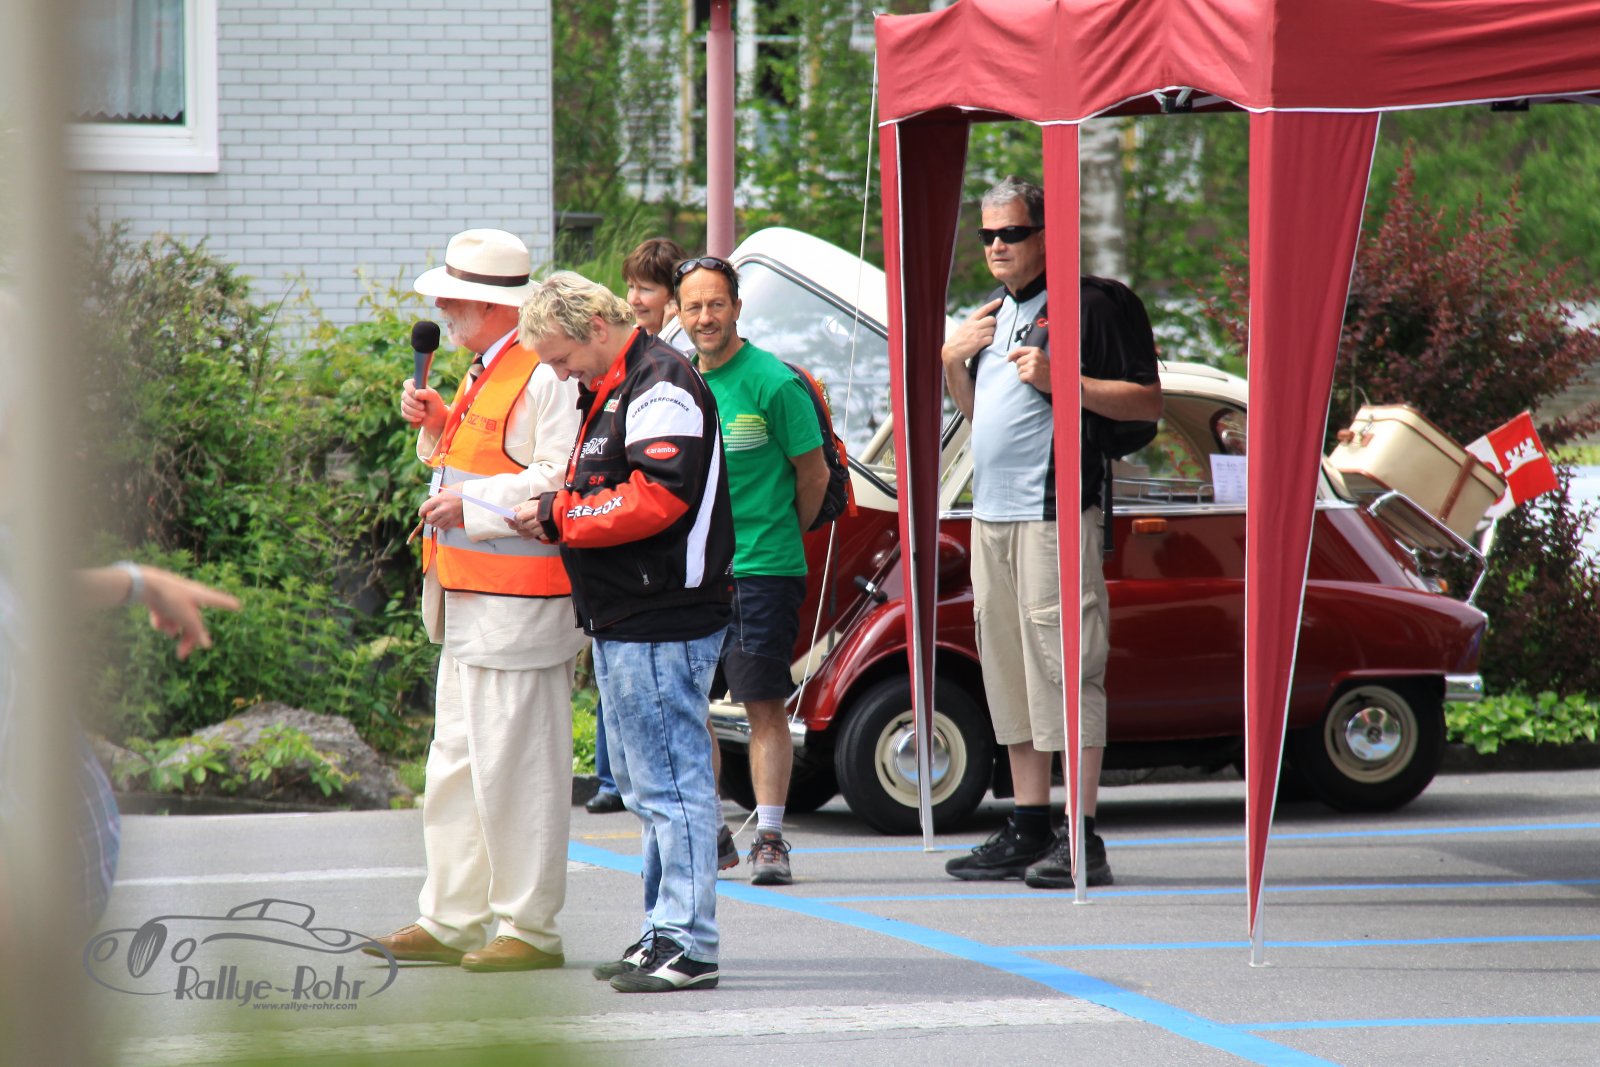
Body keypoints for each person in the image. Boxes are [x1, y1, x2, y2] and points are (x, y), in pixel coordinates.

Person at [364, 228, 586, 973]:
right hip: (472, 598)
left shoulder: (545, 371)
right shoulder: (490, 367)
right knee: (456, 766)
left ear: (489, 307)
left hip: (519, 605)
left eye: (451, 300)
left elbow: (561, 477)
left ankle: (530, 928)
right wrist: (436, 428)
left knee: (519, 771)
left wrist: (474, 504)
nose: (441, 310)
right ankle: (454, 917)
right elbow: (474, 464)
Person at [510, 271, 733, 993]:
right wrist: (561, 509)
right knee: (649, 788)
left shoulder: (658, 383)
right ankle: (664, 931)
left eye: (561, 357)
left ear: (597, 328)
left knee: (671, 785)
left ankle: (689, 943)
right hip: (631, 614)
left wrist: (560, 514)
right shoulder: (619, 383)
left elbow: (658, 497)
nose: (558, 372)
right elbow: (621, 492)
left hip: (661, 614)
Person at [939, 177, 1161, 889]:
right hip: (991, 515)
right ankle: (1029, 824)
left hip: (1054, 514)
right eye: (988, 235)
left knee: (1068, 669)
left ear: (1046, 235)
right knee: (1008, 672)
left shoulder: (1093, 304)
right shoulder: (993, 312)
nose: (997, 246)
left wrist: (1061, 379)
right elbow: (980, 416)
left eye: (1012, 233)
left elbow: (1148, 402)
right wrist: (952, 361)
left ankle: (1082, 835)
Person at [675, 255, 829, 886]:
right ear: (679, 314)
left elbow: (813, 475)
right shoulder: (681, 382)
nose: (705, 317)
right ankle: (712, 830)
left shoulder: (774, 382)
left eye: (716, 304)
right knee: (689, 702)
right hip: (698, 573)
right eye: (693, 306)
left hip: (764, 570)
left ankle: (769, 838)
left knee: (763, 705)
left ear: (737, 307)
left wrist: (779, 532)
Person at [585, 237, 690, 819]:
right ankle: (611, 776)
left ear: (674, 297)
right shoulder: (631, 361)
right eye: (629, 287)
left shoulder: (669, 365)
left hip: (662, 579)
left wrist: (565, 515)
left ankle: (627, 784)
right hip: (618, 583)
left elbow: (660, 490)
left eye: (646, 288)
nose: (634, 299)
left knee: (667, 733)